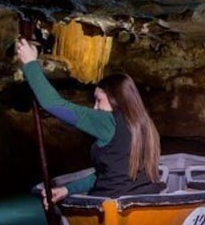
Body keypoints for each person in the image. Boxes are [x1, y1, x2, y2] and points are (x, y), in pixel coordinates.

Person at [15, 37, 164, 202]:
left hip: (112, 206)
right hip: (146, 199)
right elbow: (109, 174)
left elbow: (53, 104)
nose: (95, 107)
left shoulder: (107, 121)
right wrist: (67, 189)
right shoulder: (146, 125)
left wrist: (30, 63)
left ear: (116, 99)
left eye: (99, 100)